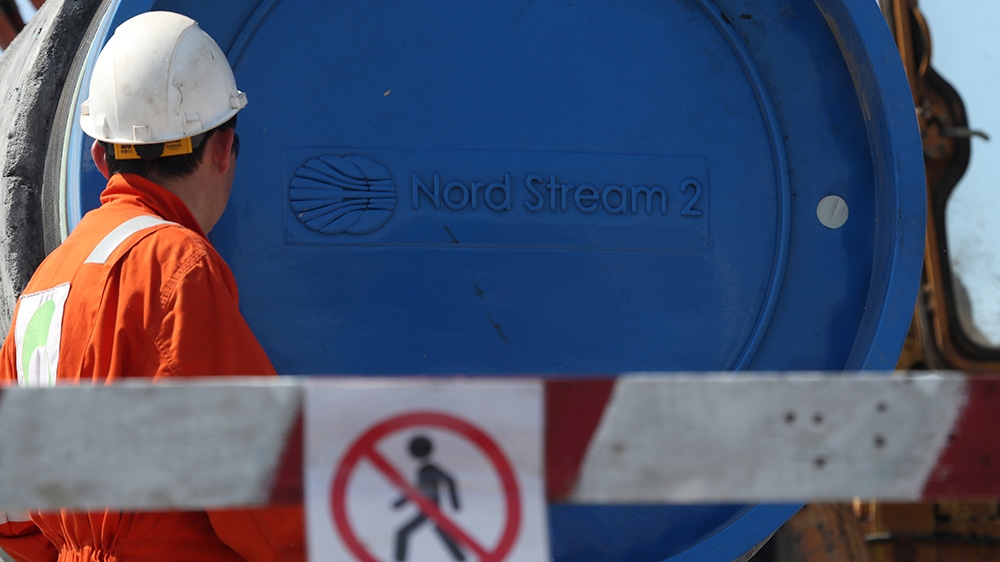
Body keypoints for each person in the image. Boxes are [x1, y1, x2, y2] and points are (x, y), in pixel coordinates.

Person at [0, 11, 304, 561]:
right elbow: (264, 499)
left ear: (99, 157)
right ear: (222, 150)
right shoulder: (175, 266)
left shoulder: (44, 286)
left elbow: (12, 511)